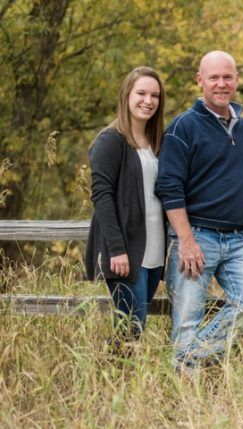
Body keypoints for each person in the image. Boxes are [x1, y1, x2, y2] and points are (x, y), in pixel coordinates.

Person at [155, 51, 243, 373]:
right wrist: (186, 241)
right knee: (186, 321)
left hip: (239, 239)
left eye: (227, 77)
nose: (221, 83)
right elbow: (169, 187)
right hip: (196, 236)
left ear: (236, 80)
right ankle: (185, 399)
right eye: (213, 77)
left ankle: (187, 358)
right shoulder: (183, 127)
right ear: (200, 80)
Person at [85, 66, 166, 349]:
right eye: (141, 93)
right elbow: (102, 197)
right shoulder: (111, 141)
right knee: (131, 327)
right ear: (127, 95)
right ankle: (110, 385)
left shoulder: (157, 142)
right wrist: (116, 249)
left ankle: (118, 385)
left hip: (154, 250)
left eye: (155, 95)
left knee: (135, 326)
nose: (148, 100)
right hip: (125, 252)